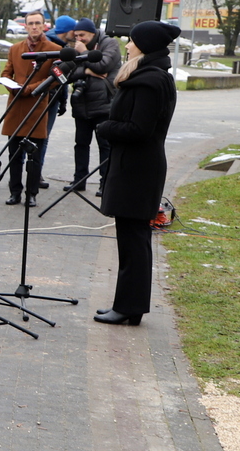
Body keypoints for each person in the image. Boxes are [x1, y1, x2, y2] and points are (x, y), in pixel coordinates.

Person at [94, 21, 180, 324]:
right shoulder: (151, 77)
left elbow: (138, 129)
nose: (127, 46)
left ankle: (129, 307)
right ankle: (128, 306)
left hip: (137, 169)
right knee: (132, 239)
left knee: (134, 240)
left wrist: (104, 127)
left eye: (131, 42)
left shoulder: (149, 81)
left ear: (143, 46)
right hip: (137, 166)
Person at [0, 11, 59, 206]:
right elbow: (6, 72)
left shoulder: (54, 49)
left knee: (35, 155)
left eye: (38, 23)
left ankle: (31, 193)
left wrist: (31, 89)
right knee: (14, 154)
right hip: (16, 106)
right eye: (30, 23)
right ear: (25, 26)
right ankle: (14, 192)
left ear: (44, 25)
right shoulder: (16, 49)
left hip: (38, 106)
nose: (34, 26)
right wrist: (13, 86)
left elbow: (54, 78)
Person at [64, 23, 115, 195]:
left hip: (103, 104)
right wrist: (87, 70)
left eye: (82, 35)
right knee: (81, 144)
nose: (79, 39)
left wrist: (84, 52)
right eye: (76, 36)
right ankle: (79, 180)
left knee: (105, 146)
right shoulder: (73, 47)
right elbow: (67, 73)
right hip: (81, 104)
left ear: (93, 34)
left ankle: (105, 183)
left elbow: (103, 66)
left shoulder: (109, 44)